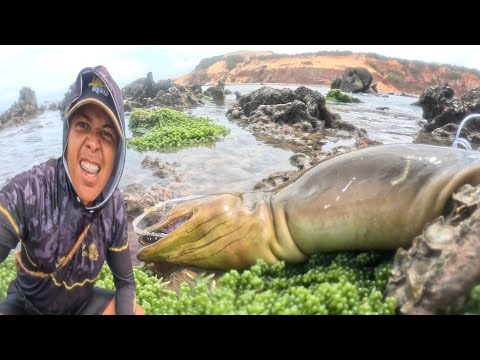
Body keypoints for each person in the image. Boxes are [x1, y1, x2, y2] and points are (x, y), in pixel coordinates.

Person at [0, 65, 144, 315]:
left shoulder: (115, 208)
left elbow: (125, 283)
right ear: (67, 135)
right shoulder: (29, 191)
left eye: (107, 133)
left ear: (118, 152)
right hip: (25, 307)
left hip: (81, 307)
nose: (93, 143)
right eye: (82, 126)